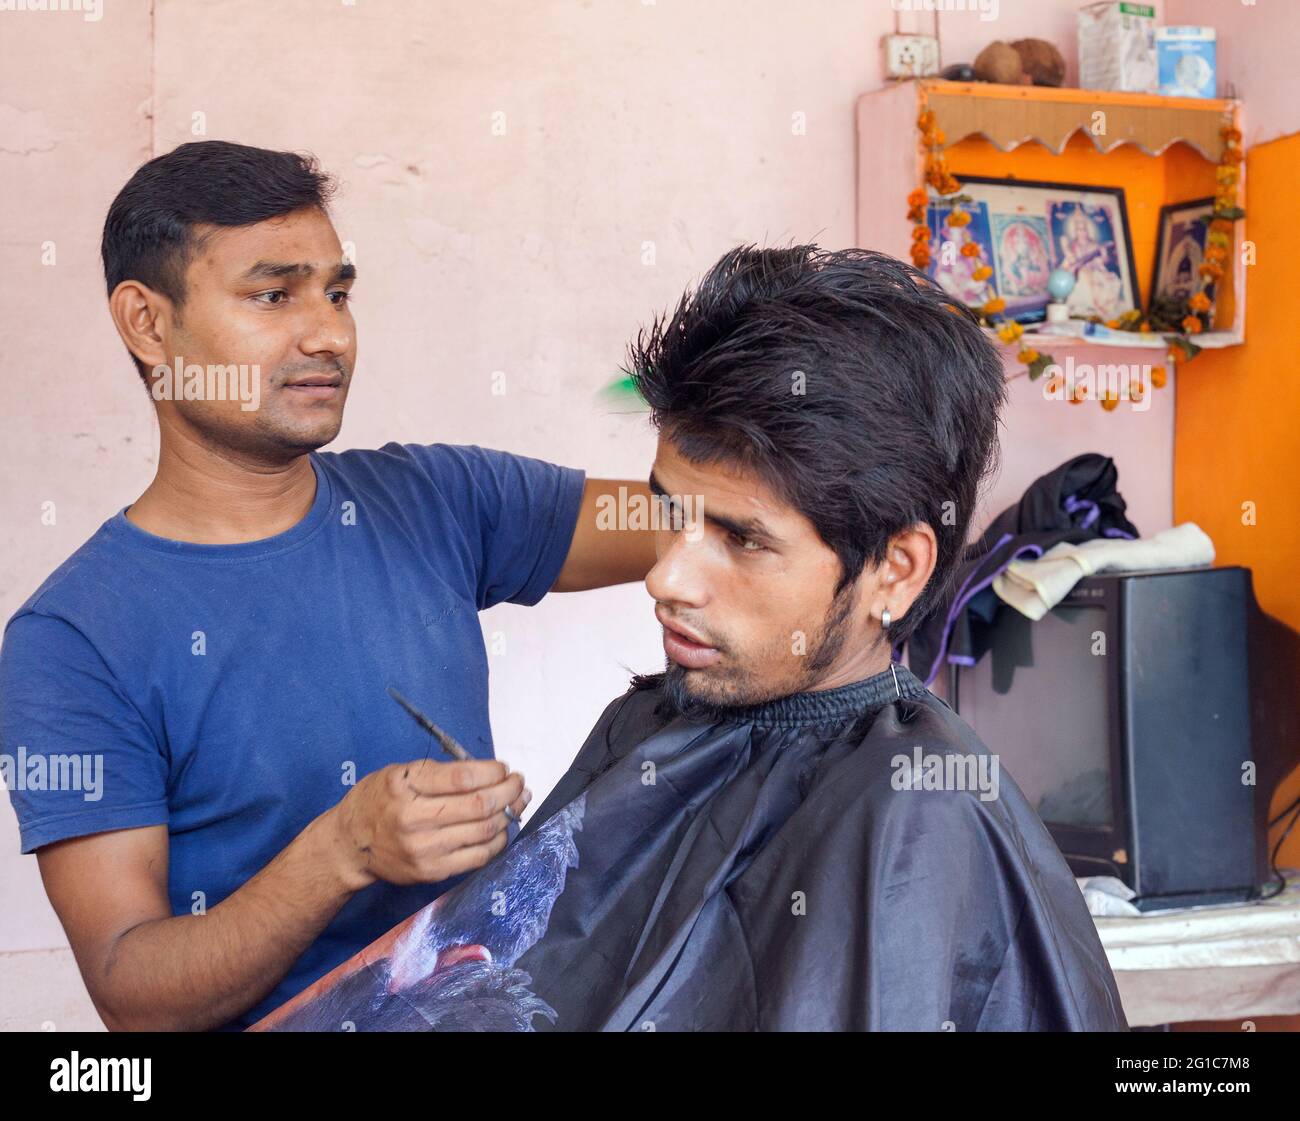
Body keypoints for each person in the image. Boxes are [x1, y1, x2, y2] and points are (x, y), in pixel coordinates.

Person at [253, 245, 1129, 1032]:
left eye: (741, 539)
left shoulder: (915, 821)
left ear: (895, 569)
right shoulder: (651, 726)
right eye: (669, 516)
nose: (667, 576)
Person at [0, 140, 656, 1031]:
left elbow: (683, 524)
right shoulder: (72, 637)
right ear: (148, 324)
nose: (328, 334)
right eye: (273, 295)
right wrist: (343, 850)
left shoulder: (438, 500)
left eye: (337, 293)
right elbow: (131, 988)